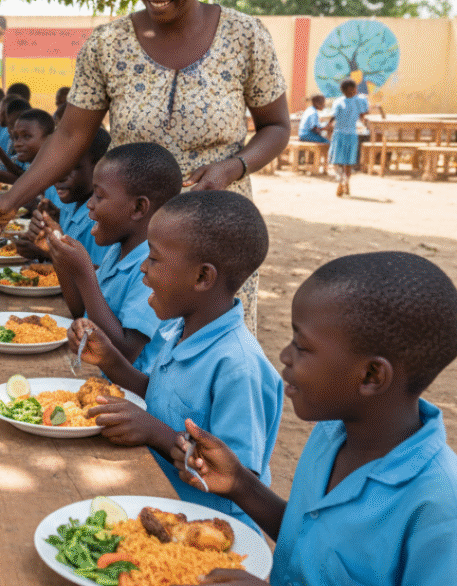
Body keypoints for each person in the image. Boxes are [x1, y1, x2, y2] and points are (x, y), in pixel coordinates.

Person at [87, 253, 457, 586]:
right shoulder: (334, 435)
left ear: (371, 376)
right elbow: (313, 542)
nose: (283, 356)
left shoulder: (439, 509)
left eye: (303, 348)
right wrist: (241, 486)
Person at [0, 0, 290, 334]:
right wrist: (11, 198)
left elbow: (276, 126)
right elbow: (69, 136)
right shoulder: (108, 45)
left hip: (218, 232)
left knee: (209, 354)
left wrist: (234, 165)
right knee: (128, 347)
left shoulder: (246, 36)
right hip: (136, 233)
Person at [68, 190, 283, 530]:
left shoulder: (238, 367)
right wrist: (111, 361)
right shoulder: (180, 327)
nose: (143, 267)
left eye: (153, 259)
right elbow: (160, 396)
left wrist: (155, 433)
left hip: (206, 530)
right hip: (158, 499)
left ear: (202, 277)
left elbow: (233, 478)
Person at [50, 142, 181, 364]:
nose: (90, 204)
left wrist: (83, 273)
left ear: (139, 208)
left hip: (137, 394)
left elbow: (126, 351)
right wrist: (62, 263)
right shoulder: (118, 250)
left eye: (99, 196)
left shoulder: (153, 268)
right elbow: (82, 311)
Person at [16, 129, 111, 265]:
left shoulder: (100, 220)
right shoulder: (69, 206)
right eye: (57, 168)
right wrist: (49, 231)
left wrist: (47, 252)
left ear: (98, 168)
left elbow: (102, 276)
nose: (59, 177)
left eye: (71, 167)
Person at [329, 78, 362, 197]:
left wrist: (328, 126)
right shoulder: (359, 101)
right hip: (351, 135)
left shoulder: (338, 102)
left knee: (337, 161)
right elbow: (363, 115)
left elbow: (333, 118)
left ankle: (341, 179)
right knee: (348, 162)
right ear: (353, 89)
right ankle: (346, 181)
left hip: (339, 135)